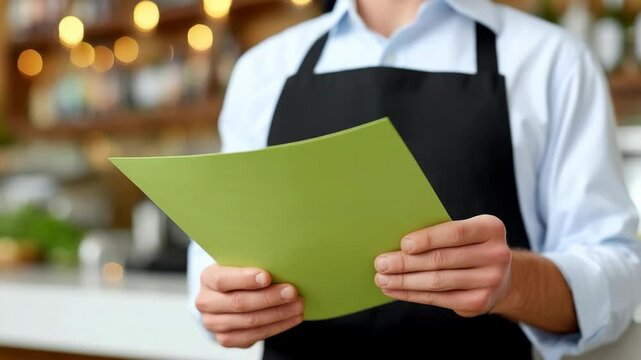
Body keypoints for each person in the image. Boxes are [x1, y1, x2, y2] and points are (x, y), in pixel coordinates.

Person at [188, 0, 641, 359]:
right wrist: (218, 301)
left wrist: (514, 283)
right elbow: (217, 251)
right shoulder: (263, 70)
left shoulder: (553, 62)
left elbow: (619, 272)